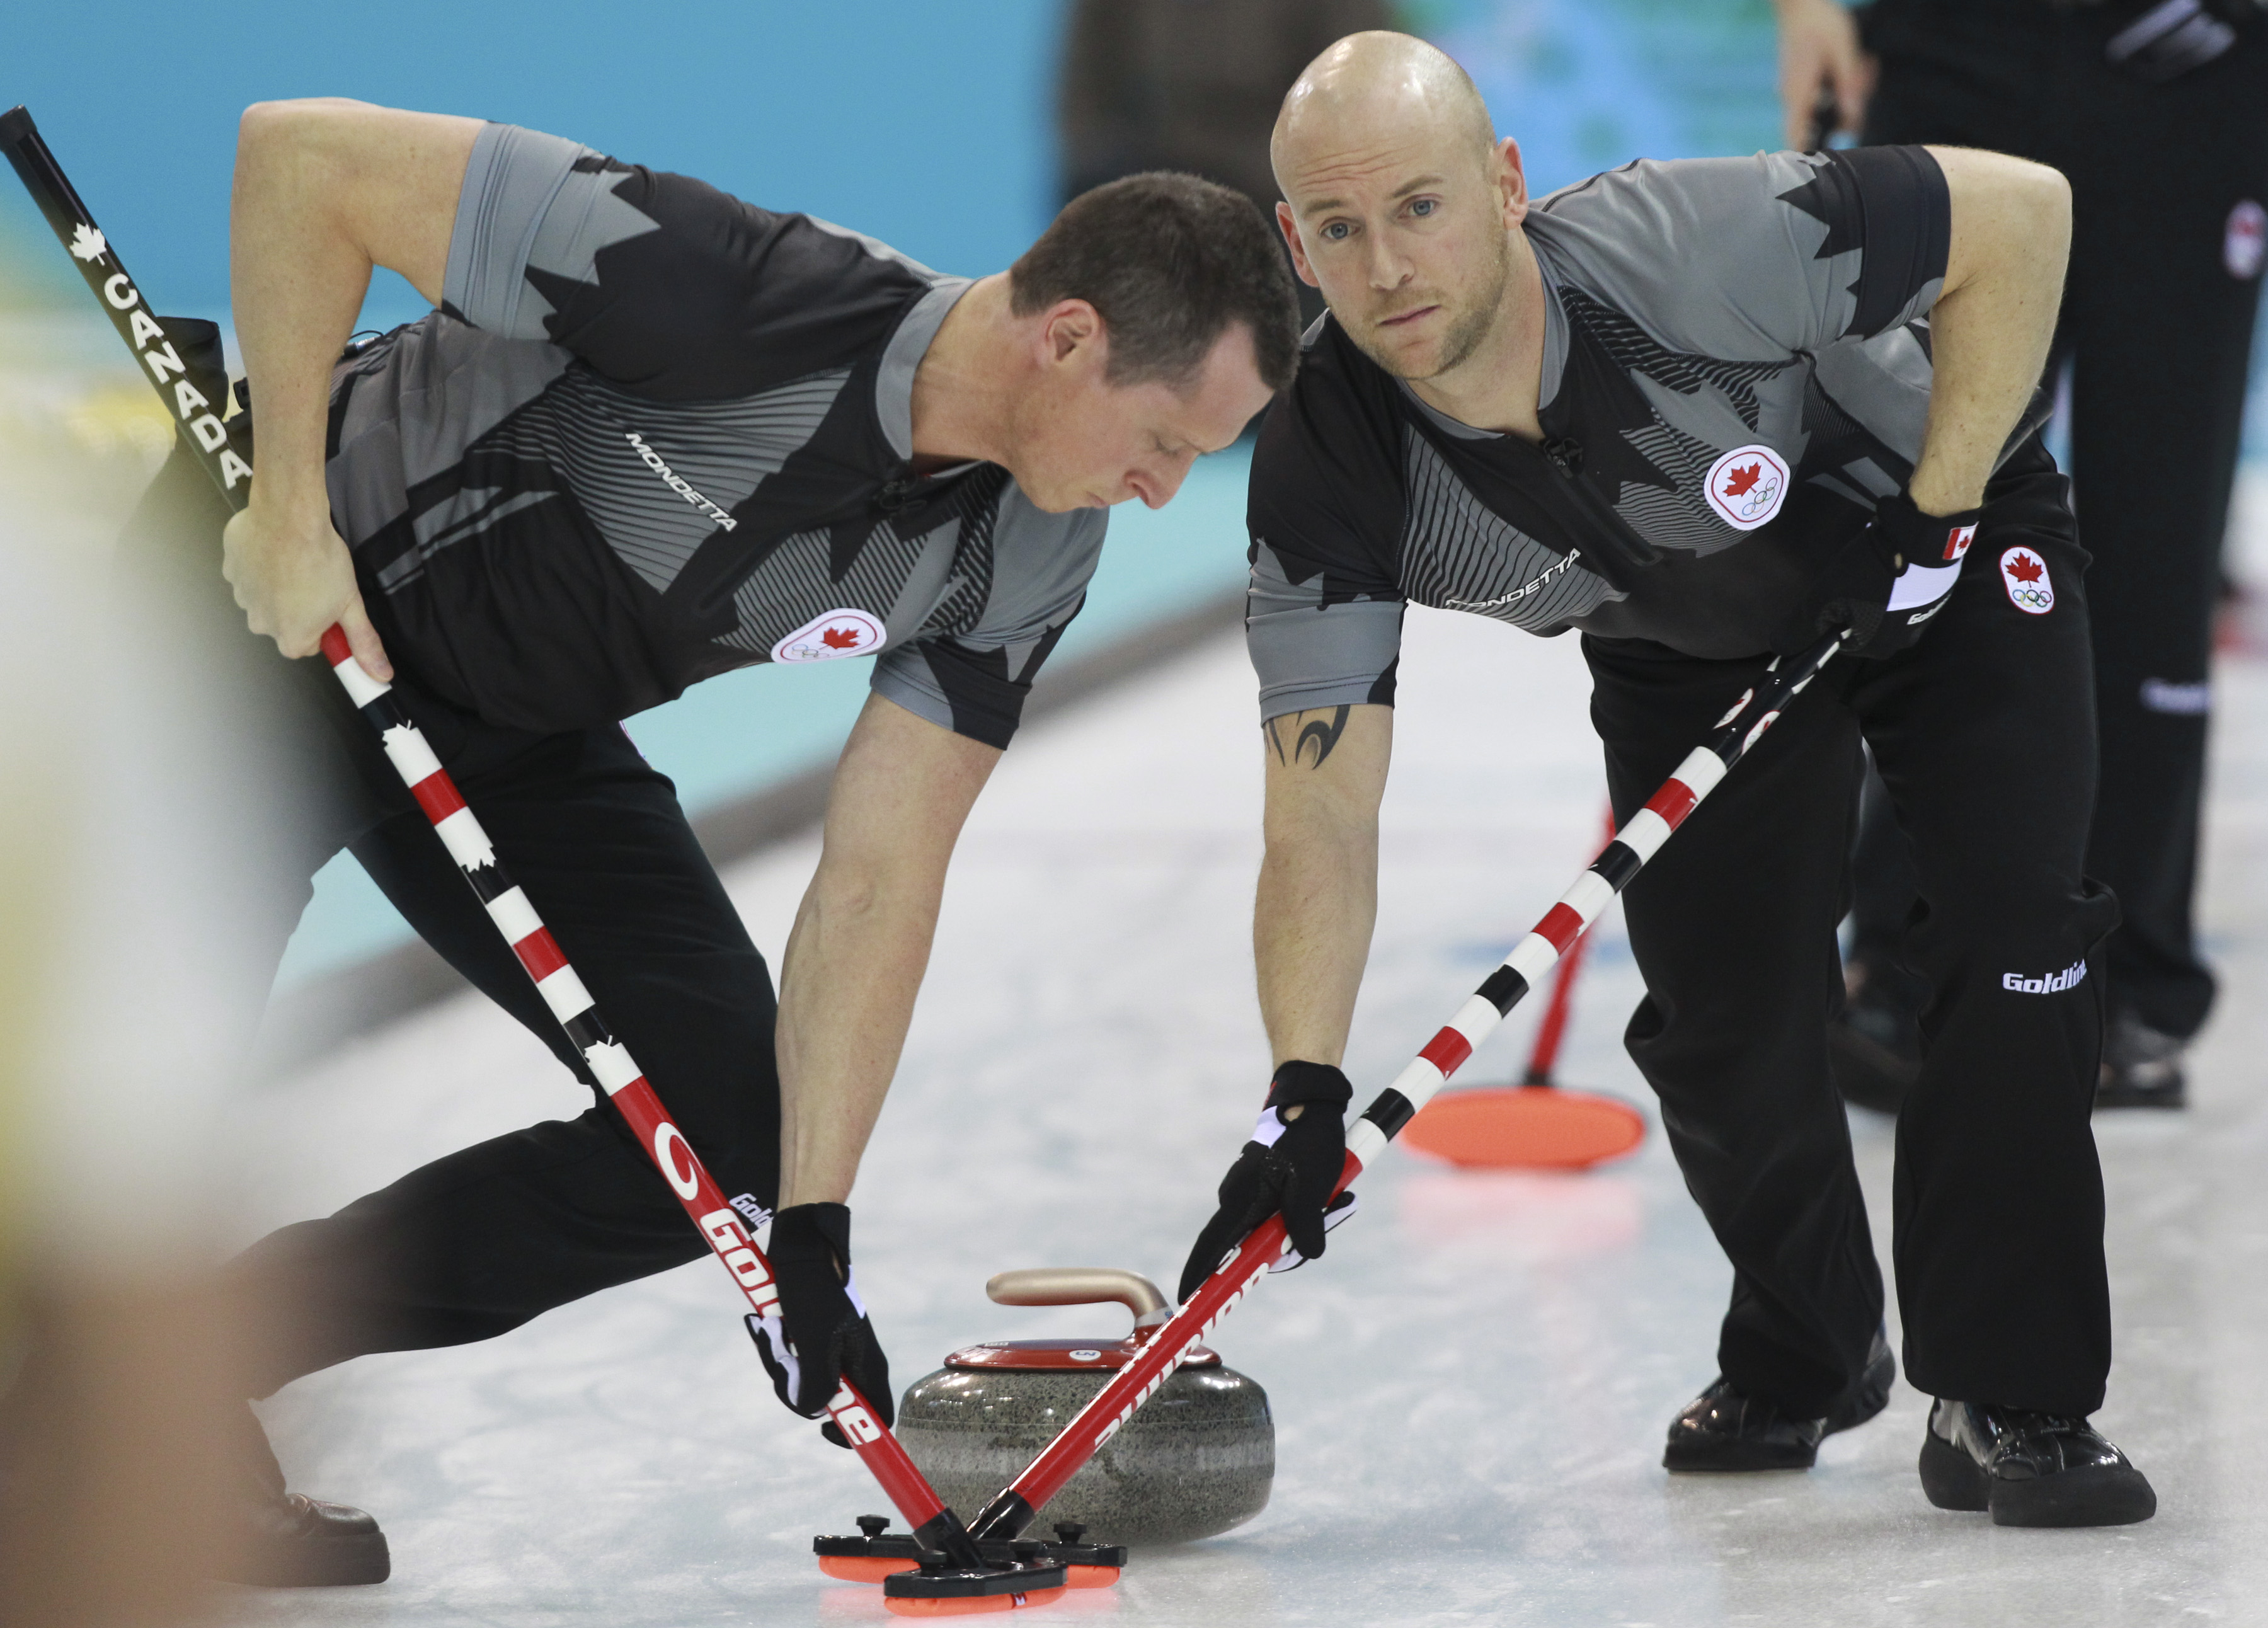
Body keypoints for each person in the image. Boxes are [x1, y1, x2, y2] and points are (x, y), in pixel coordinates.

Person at [140, 97, 1297, 1584]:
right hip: (280, 612)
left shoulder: (1032, 546)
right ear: (1066, 338)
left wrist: (812, 1221)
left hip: (516, 722)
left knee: (720, 1148)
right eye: (1161, 442)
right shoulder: (731, 288)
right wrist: (290, 507)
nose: (1160, 494)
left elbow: (882, 872)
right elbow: (300, 158)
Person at [1178, 32, 2157, 1527]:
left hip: (1940, 542)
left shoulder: (1685, 249)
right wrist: (1296, 1090)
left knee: (2016, 936)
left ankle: (2012, 1391)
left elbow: (2024, 210)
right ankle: (1811, 1344)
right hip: (1688, 644)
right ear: (1298, 252)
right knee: (1719, 1022)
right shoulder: (1332, 465)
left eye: (1422, 207)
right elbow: (1320, 802)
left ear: (1506, 185)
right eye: (1338, 228)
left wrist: (1941, 511)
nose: (1388, 267)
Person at [1775, 0, 2268, 1111]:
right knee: (1935, 506)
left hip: (2194, 59)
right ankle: (1907, 957)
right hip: (1959, 53)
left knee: (2160, 536)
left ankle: (2123, 979)